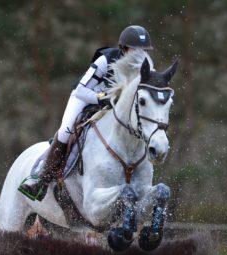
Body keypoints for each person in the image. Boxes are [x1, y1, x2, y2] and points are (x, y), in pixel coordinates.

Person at [18, 25, 154, 201]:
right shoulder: (105, 60)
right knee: (66, 129)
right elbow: (81, 89)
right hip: (86, 99)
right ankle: (41, 178)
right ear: (124, 48)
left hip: (113, 108)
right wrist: (102, 97)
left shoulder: (145, 67)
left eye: (143, 50)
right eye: (135, 49)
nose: (139, 54)